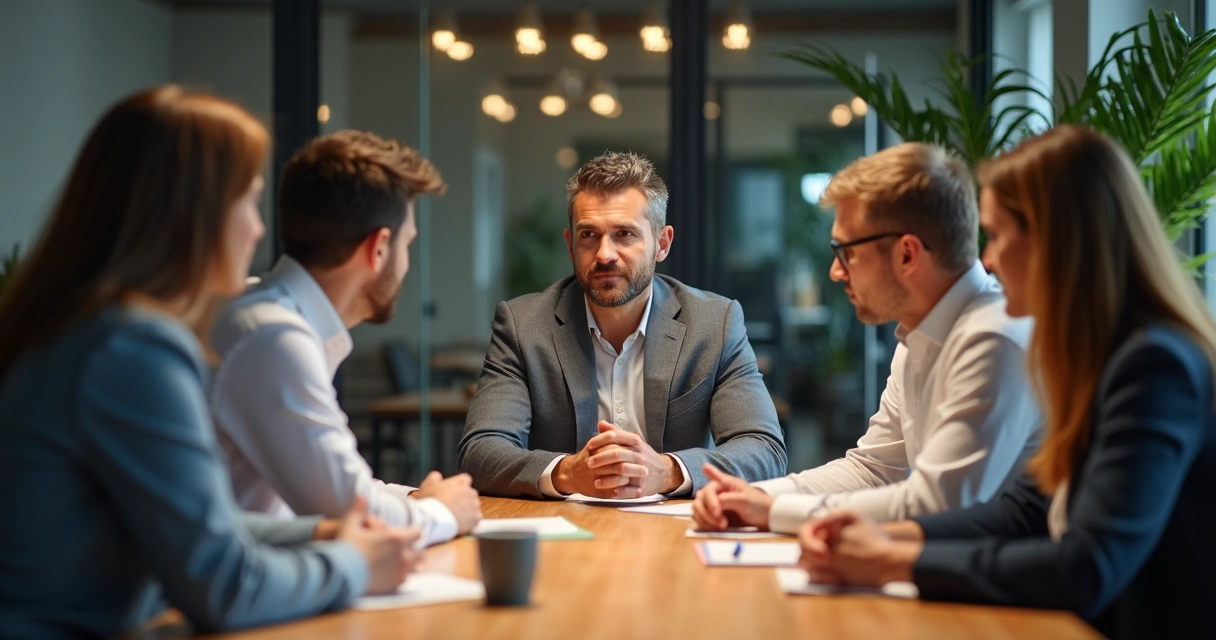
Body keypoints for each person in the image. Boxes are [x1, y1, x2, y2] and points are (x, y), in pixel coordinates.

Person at [0, 87, 421, 638]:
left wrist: (323, 535)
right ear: (189, 214)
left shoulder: (81, 326)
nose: (259, 228)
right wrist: (354, 564)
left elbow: (203, 526)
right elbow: (225, 586)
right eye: (247, 200)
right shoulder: (133, 349)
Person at [797, 125, 1216, 639]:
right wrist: (888, 536)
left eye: (996, 236)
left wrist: (892, 560)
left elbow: (1086, 566)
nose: (987, 259)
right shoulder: (1096, 359)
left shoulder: (1153, 367)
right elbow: (1025, 510)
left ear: (1056, 243)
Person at [693, 142, 1040, 534]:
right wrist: (752, 496)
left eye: (846, 252)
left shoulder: (993, 338)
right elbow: (873, 470)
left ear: (907, 254)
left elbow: (939, 503)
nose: (835, 272)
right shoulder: (921, 332)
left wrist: (771, 510)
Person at [459, 151, 787, 499]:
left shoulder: (714, 324)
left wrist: (668, 471)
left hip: (673, 526)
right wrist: (567, 473)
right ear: (570, 245)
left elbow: (763, 449)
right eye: (589, 234)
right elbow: (480, 451)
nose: (604, 254)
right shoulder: (523, 326)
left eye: (625, 234)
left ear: (662, 244)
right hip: (562, 523)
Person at [210, 130, 481, 546]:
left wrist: (418, 501)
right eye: (408, 243)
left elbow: (346, 486)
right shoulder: (274, 338)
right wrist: (444, 512)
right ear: (379, 248)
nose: (406, 264)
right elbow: (349, 511)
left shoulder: (269, 318)